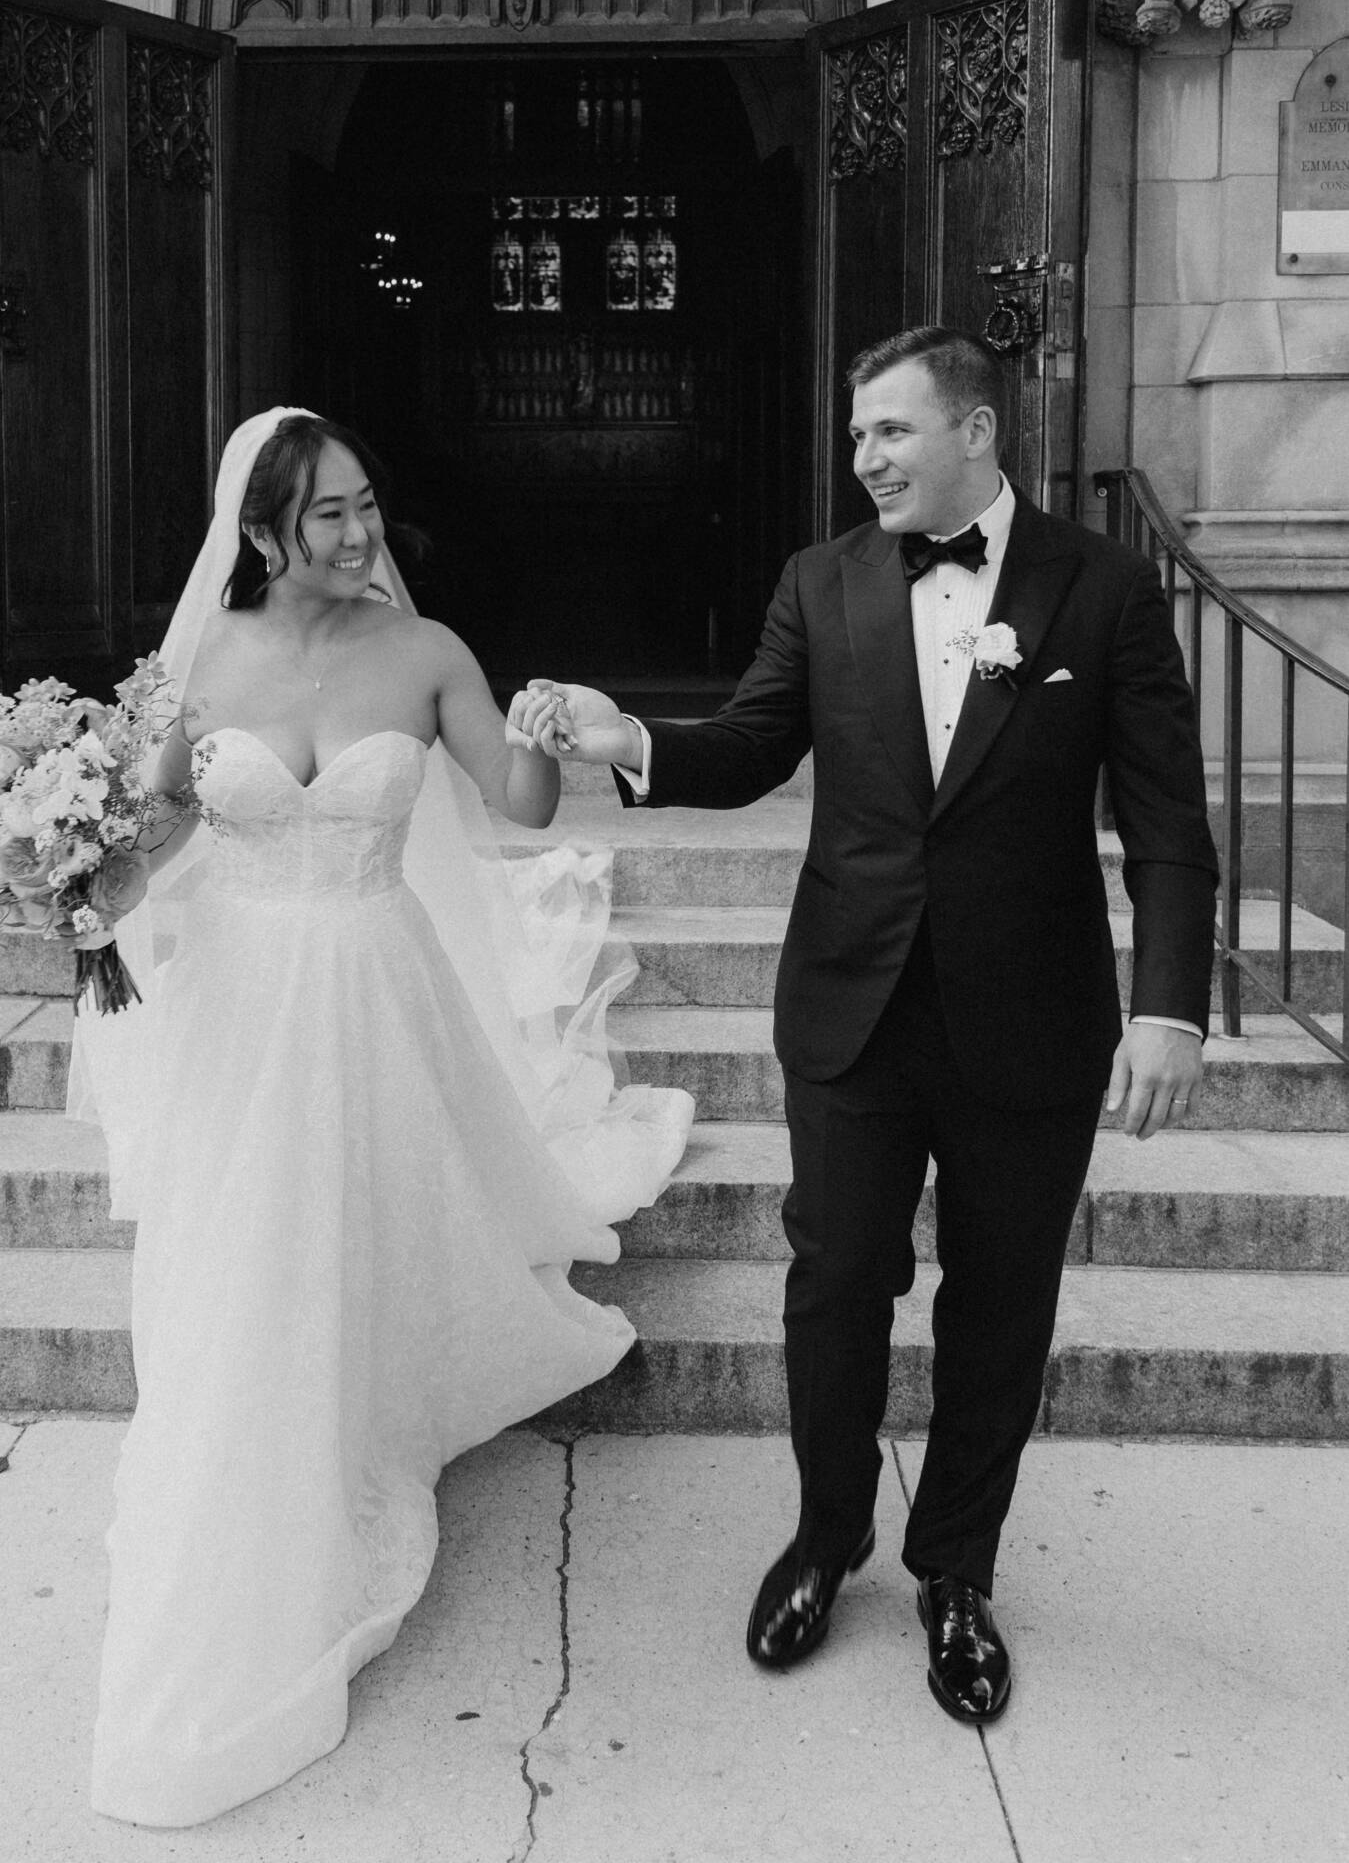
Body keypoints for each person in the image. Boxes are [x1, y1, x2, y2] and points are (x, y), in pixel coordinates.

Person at [517, 326, 1217, 1726]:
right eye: (856, 437)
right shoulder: (820, 581)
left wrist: (1168, 1009)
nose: (865, 460)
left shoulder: (1103, 587)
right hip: (852, 1006)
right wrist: (627, 739)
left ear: (975, 429)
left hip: (1033, 1016)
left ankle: (956, 1571)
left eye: (890, 431)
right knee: (834, 1285)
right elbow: (748, 747)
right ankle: (825, 1536)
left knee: (1001, 1302)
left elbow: (1165, 823)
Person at [68, 407, 691, 1827]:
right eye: (330, 514)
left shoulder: (426, 653)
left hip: (371, 980)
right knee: (246, 1247)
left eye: (366, 505)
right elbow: (153, 838)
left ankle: (356, 1416)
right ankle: (254, 1464)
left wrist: (545, 733)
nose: (361, 536)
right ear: (261, 530)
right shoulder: (198, 663)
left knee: (356, 1216)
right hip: (237, 1004)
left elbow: (521, 809)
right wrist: (69, 868)